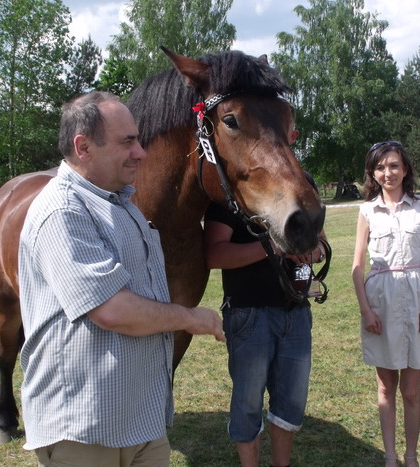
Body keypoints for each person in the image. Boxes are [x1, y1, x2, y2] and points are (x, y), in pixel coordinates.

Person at [18, 91, 225, 467]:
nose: (141, 152)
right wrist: (193, 318)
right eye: (128, 141)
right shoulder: (63, 211)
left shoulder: (122, 204)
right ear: (84, 147)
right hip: (86, 429)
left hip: (141, 421)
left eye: (139, 140)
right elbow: (112, 310)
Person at [202, 110, 325, 467]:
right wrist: (271, 247)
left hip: (296, 311)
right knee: (248, 402)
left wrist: (313, 251)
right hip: (248, 312)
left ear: (292, 136)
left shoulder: (306, 184)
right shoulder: (231, 191)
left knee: (291, 401)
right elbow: (214, 254)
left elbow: (319, 243)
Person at [351, 141, 420, 467]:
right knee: (386, 387)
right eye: (380, 167)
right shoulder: (366, 211)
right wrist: (366, 311)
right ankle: (390, 457)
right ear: (373, 173)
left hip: (418, 301)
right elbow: (357, 267)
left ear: (405, 169)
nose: (387, 173)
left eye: (393, 166)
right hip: (381, 302)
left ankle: (412, 455)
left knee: (412, 391)